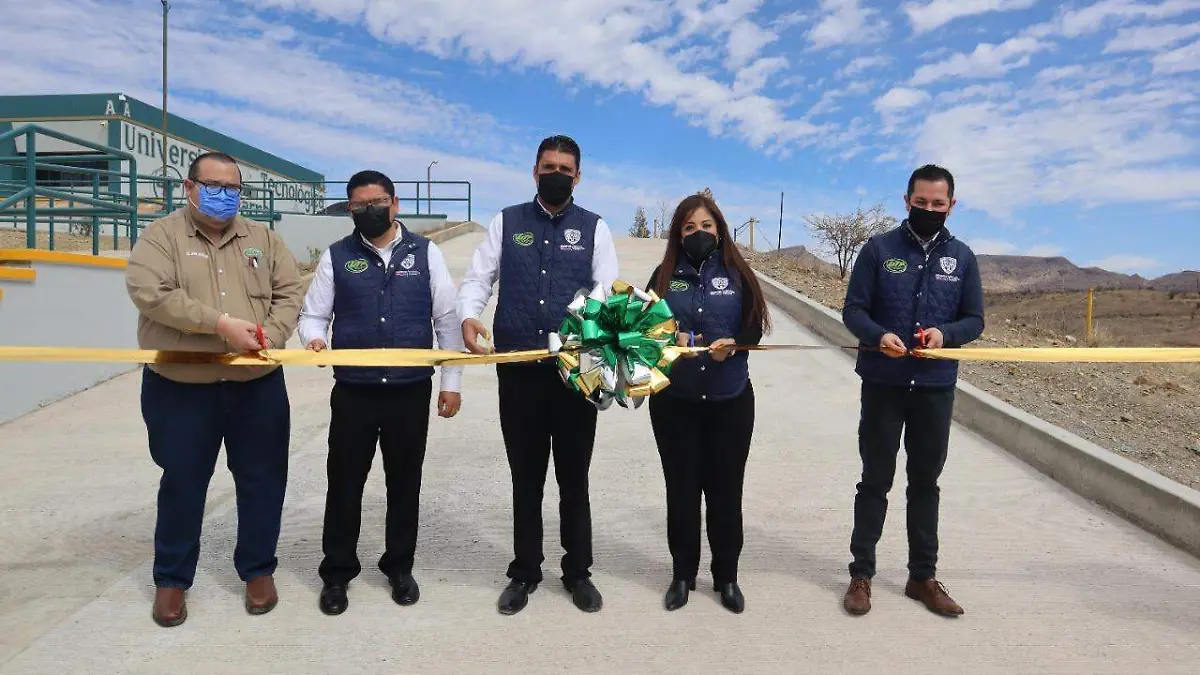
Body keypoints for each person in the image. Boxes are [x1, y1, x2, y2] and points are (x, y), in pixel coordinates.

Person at [125, 152, 304, 627]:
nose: (224, 195)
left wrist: (270, 337)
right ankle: (171, 580)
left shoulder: (264, 240)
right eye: (214, 185)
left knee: (263, 480)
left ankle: (258, 571)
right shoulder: (161, 237)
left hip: (256, 385)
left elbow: (290, 293)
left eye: (233, 188)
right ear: (189, 187)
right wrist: (221, 325)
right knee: (183, 482)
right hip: (182, 387)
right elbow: (151, 292)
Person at [457, 134, 619, 615]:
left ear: (578, 176)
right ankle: (525, 571)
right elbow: (479, 279)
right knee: (525, 477)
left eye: (566, 169)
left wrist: (580, 332)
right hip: (520, 370)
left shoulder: (595, 228)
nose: (556, 174)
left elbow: (605, 292)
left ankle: (577, 572)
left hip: (575, 373)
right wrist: (469, 314)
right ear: (534, 171)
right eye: (549, 166)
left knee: (574, 477)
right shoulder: (506, 222)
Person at [297, 170, 466, 616]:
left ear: (394, 204)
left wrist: (451, 383)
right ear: (349, 209)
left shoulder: (427, 254)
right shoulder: (337, 257)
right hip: (354, 393)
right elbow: (312, 316)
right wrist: (313, 339)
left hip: (410, 393)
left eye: (376, 202)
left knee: (404, 484)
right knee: (345, 485)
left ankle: (398, 566)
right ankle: (336, 574)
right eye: (358, 205)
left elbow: (446, 320)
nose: (368, 211)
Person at [840, 164, 984, 617]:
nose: (928, 210)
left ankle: (922, 576)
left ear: (951, 206)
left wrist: (946, 334)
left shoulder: (962, 258)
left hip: (935, 389)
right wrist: (879, 335)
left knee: (925, 483)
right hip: (884, 384)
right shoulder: (879, 249)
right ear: (906, 201)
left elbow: (975, 320)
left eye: (937, 204)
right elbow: (853, 310)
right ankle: (861, 574)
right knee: (875, 481)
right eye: (920, 203)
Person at [645, 192, 771, 614]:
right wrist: (670, 337)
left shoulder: (738, 274)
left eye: (706, 226)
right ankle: (683, 574)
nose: (699, 234)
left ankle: (727, 577)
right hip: (674, 402)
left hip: (729, 400)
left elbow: (754, 329)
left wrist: (735, 345)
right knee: (681, 491)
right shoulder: (662, 277)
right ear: (678, 234)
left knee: (724, 492)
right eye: (689, 228)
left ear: (719, 230)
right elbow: (641, 333)